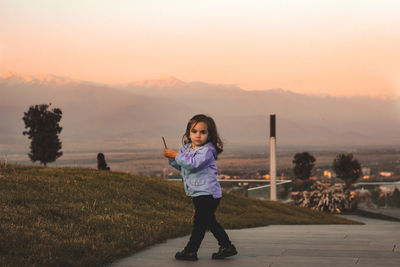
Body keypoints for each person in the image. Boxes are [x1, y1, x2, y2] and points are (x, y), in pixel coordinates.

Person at [163, 114, 237, 261]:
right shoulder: (186, 149)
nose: (198, 135)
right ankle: (227, 246)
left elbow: (193, 164)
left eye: (203, 132)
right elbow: (183, 166)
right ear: (188, 133)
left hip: (208, 193)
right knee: (209, 221)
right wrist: (172, 159)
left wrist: (176, 155)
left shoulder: (207, 151)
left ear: (209, 135)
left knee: (199, 223)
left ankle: (191, 251)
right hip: (198, 192)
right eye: (194, 131)